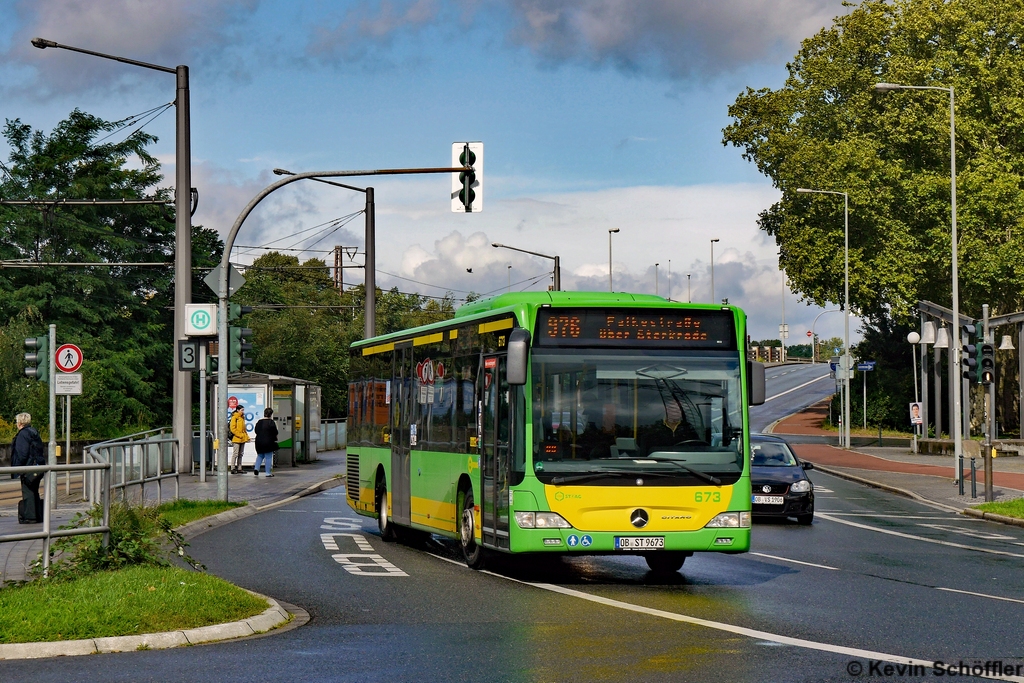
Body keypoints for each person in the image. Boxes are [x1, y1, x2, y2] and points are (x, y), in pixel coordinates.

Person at [10, 412, 45, 524]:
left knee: (28, 491)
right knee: (35, 491)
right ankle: (37, 515)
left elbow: (22, 454)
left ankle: (30, 517)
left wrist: (18, 469)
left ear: (20, 422)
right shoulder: (34, 432)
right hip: (38, 466)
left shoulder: (22, 434)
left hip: (28, 467)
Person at [253, 408, 278, 477]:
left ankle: (256, 468)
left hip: (259, 441)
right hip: (268, 441)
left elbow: (256, 431)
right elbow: (275, 432)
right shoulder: (271, 422)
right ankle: (268, 472)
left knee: (260, 455)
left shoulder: (259, 422)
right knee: (268, 457)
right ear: (271, 414)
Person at [229, 404, 250, 474]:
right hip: (236, 438)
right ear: (238, 410)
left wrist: (246, 437)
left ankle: (239, 468)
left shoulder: (242, 418)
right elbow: (232, 428)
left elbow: (244, 429)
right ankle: (232, 468)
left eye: (243, 410)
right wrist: (240, 435)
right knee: (235, 454)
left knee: (241, 454)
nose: (243, 411)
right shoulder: (235, 417)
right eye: (242, 410)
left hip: (242, 438)